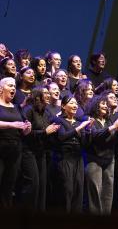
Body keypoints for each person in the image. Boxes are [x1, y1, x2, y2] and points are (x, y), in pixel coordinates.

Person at [19, 86, 60, 210]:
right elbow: (25, 134)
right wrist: (45, 132)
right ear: (37, 97)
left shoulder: (46, 112)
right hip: (28, 151)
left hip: (41, 152)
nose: (48, 95)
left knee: (42, 186)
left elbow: (48, 131)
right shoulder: (29, 110)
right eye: (45, 93)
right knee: (33, 185)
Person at [52, 95, 93, 213]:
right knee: (67, 190)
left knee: (78, 190)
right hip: (65, 158)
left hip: (78, 159)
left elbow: (85, 144)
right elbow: (61, 137)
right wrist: (79, 129)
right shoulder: (58, 120)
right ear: (63, 106)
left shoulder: (79, 122)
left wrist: (88, 130)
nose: (75, 105)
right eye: (71, 103)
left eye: (76, 103)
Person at [85, 95, 118, 214]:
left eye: (106, 105)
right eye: (102, 104)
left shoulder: (109, 120)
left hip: (109, 159)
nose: (105, 106)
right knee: (95, 192)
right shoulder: (90, 119)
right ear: (95, 106)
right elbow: (96, 136)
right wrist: (114, 126)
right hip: (94, 159)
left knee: (108, 192)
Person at [0, 77, 31, 207]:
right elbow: (13, 125)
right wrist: (12, 125)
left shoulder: (17, 107)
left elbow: (22, 130)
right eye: (10, 86)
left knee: (9, 184)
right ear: (1, 89)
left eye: (14, 86)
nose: (13, 88)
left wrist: (27, 128)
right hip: (1, 148)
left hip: (15, 150)